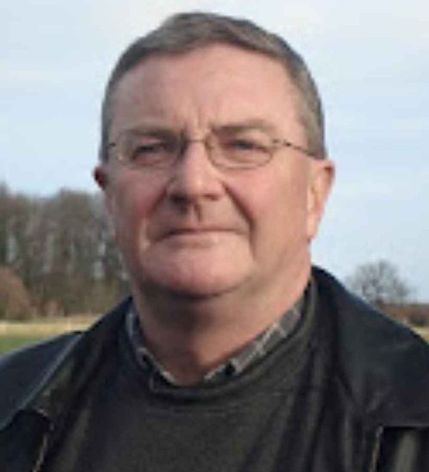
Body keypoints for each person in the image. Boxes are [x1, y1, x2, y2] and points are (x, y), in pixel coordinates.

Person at [1, 12, 428, 471]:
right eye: (151, 148)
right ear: (109, 196)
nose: (193, 183)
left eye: (243, 146)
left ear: (314, 193)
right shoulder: (12, 409)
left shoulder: (414, 411)